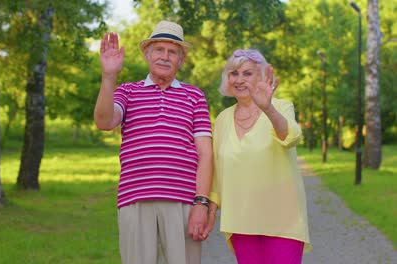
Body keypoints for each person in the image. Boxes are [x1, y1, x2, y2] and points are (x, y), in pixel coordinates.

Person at [93, 20, 213, 264]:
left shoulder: (194, 96)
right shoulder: (127, 91)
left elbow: (206, 155)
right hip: (135, 198)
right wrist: (109, 76)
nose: (165, 57)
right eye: (159, 49)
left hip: (183, 201)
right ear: (147, 54)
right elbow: (104, 121)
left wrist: (201, 203)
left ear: (181, 60)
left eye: (173, 52)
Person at [206, 49, 312, 263]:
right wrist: (210, 210)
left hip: (283, 219)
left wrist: (268, 108)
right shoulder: (223, 119)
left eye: (247, 73)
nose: (239, 79)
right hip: (241, 220)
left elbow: (291, 137)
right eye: (234, 73)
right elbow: (217, 171)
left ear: (262, 76)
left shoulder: (281, 106)